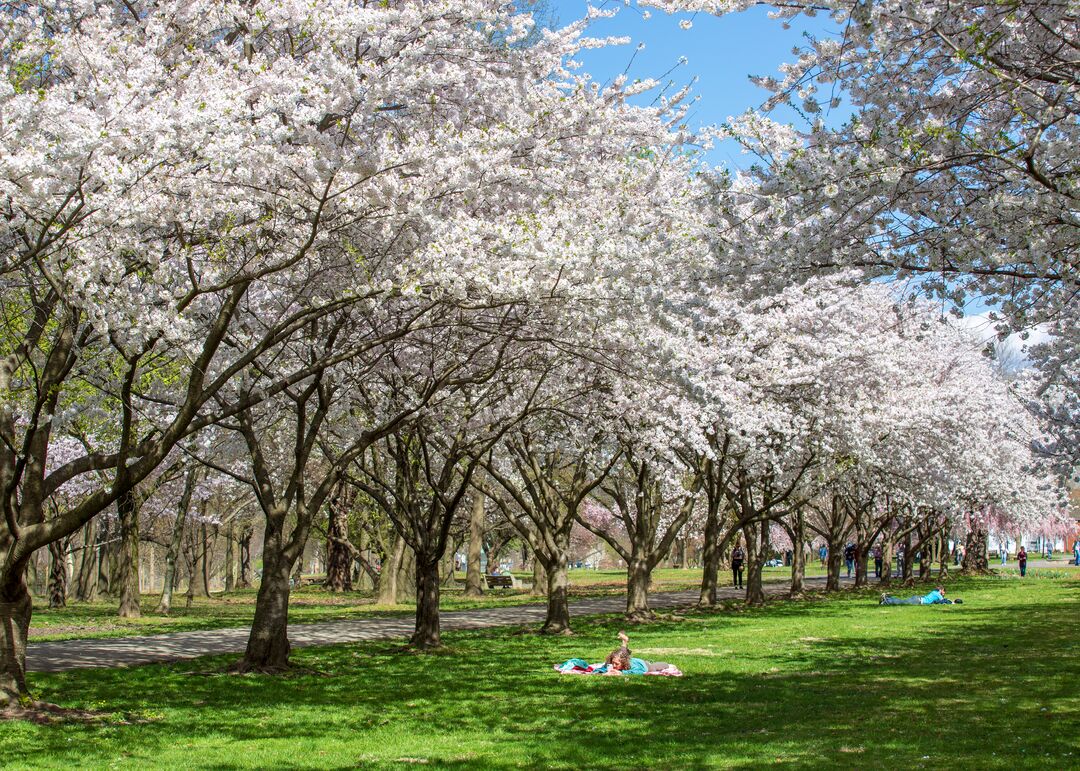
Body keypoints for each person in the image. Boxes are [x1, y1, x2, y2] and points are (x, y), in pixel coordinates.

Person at [601, 631, 676, 676]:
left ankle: (663, 663)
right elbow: (601, 669)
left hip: (645, 665)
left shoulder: (631, 666)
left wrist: (622, 673)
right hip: (629, 659)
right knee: (620, 654)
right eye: (613, 663)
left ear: (623, 663)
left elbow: (640, 672)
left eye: (616, 664)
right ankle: (624, 642)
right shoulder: (611, 664)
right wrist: (606, 672)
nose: (614, 665)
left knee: (655, 667)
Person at [879, 586, 960, 606]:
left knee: (902, 601)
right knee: (902, 602)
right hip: (919, 600)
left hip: (918, 598)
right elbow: (942, 601)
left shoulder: (934, 592)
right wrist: (952, 602)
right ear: (941, 590)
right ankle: (886, 600)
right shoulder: (938, 594)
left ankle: (887, 600)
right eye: (944, 591)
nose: (944, 593)